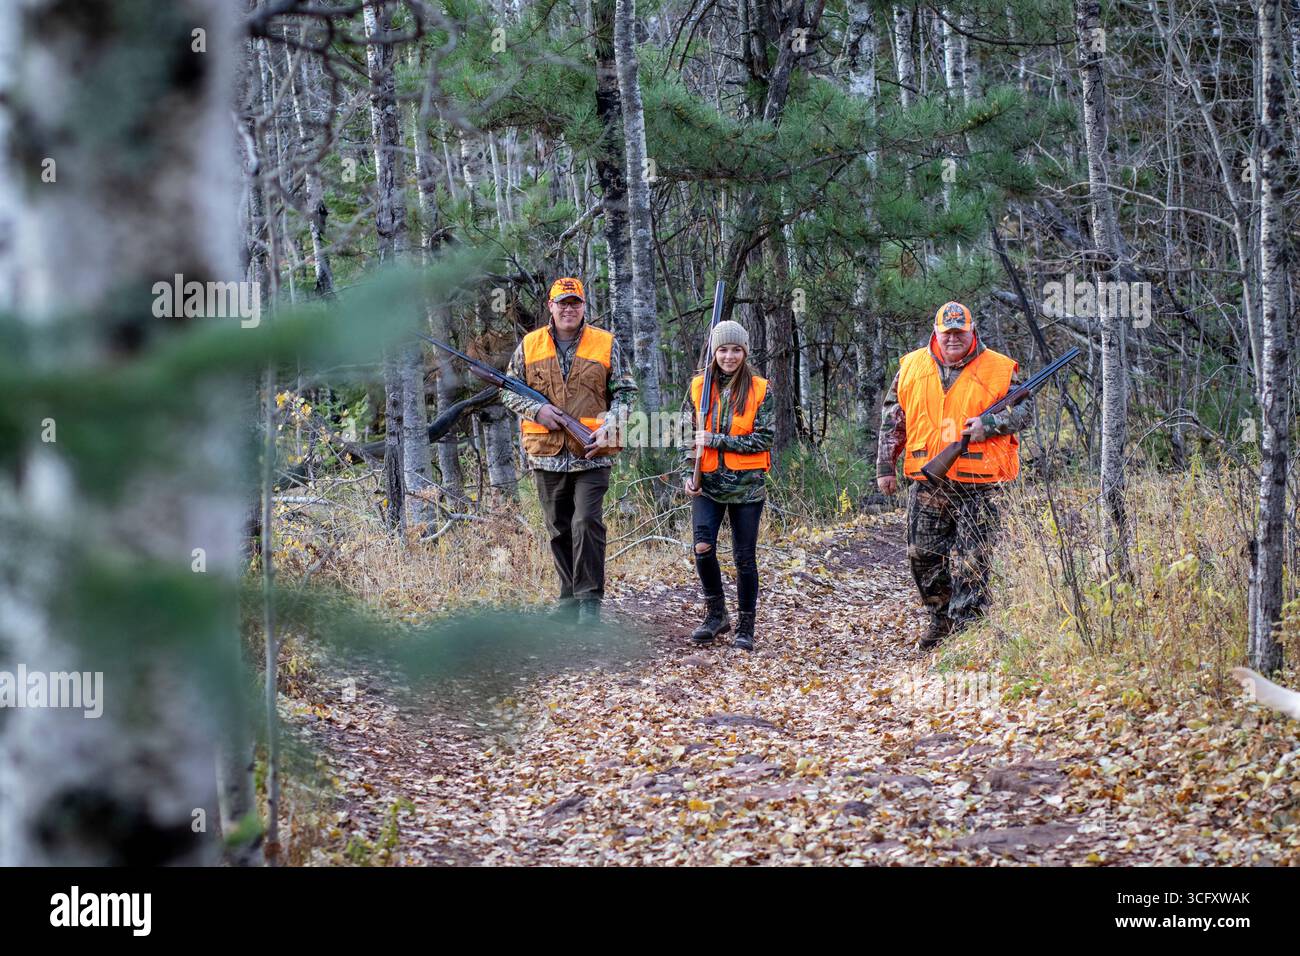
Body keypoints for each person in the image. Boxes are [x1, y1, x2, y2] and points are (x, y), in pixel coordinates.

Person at [876, 301, 1032, 650]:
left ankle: (968, 629)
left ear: (972, 331)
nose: (953, 340)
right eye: (947, 334)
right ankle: (941, 618)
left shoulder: (999, 368)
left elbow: (1025, 412)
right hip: (930, 478)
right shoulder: (911, 367)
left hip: (982, 481)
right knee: (923, 554)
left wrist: (989, 424)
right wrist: (885, 466)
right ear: (936, 333)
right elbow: (893, 419)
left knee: (973, 557)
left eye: (960, 333)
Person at [500, 277, 638, 624]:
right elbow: (506, 390)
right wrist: (537, 411)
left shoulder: (604, 343)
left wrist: (611, 426)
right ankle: (568, 599)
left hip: (591, 452)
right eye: (562, 302)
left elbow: (625, 391)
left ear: (583, 307)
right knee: (559, 527)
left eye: (574, 302)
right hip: (546, 453)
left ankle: (589, 600)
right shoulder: (529, 345)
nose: (568, 308)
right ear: (550, 307)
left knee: (586, 522)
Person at [682, 320, 774, 652]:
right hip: (706, 485)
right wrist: (687, 475)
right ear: (714, 352)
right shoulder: (698, 388)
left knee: (744, 558)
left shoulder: (761, 388)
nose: (730, 356)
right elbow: (686, 436)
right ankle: (716, 615)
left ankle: (746, 626)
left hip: (747, 488)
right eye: (723, 349)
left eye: (736, 350)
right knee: (702, 548)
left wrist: (717, 440)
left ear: (745, 352)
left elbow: (764, 438)